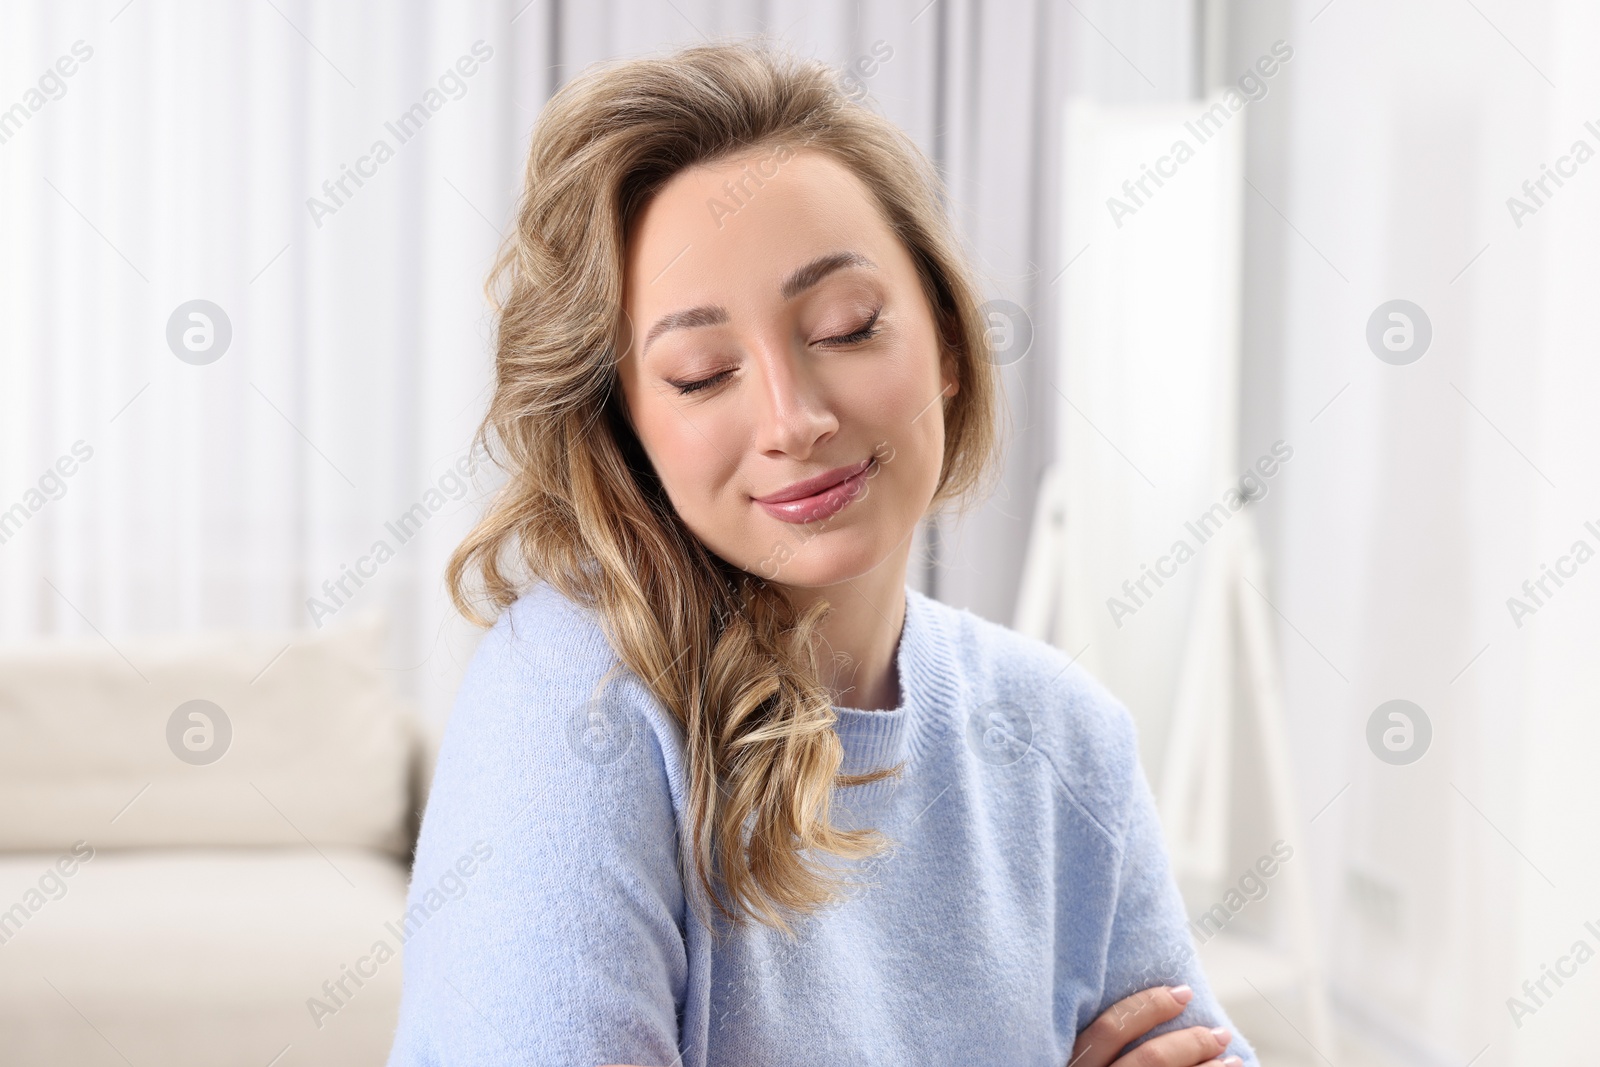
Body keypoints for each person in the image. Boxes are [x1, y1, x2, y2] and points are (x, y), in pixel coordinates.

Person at [386, 37, 1258, 1067]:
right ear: (625, 429)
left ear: (941, 337)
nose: (794, 417)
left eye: (845, 326)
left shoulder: (1065, 739)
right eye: (703, 372)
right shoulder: (572, 704)